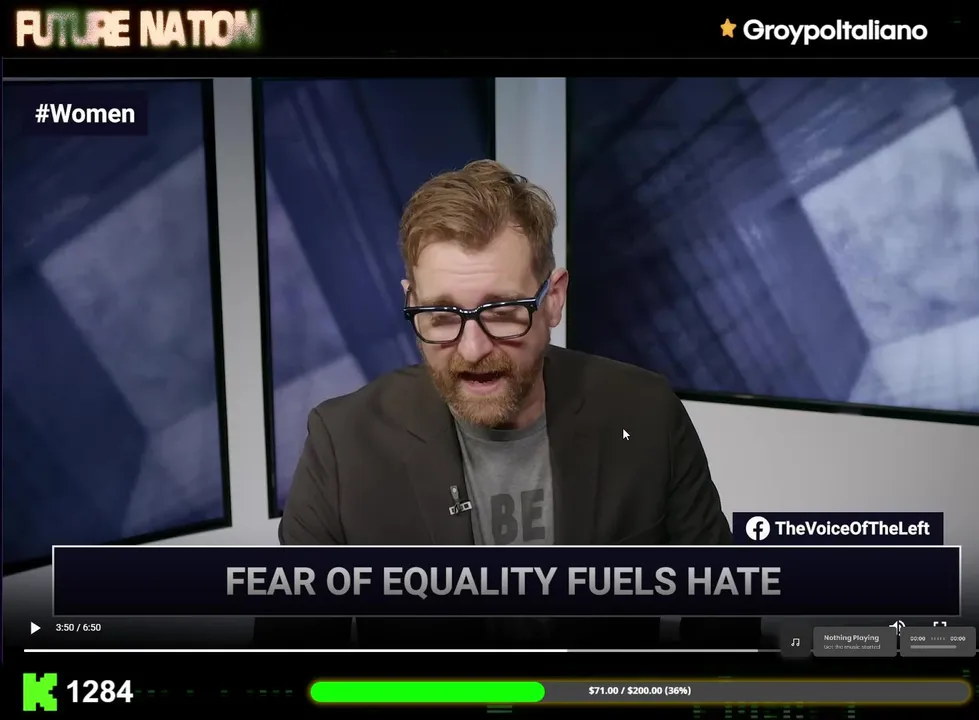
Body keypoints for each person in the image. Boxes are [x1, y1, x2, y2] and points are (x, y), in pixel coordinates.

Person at [255, 159, 754, 648]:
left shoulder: (646, 412)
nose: (473, 349)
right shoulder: (342, 444)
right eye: (441, 314)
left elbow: (724, 620)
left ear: (553, 299)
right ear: (411, 303)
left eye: (502, 311)